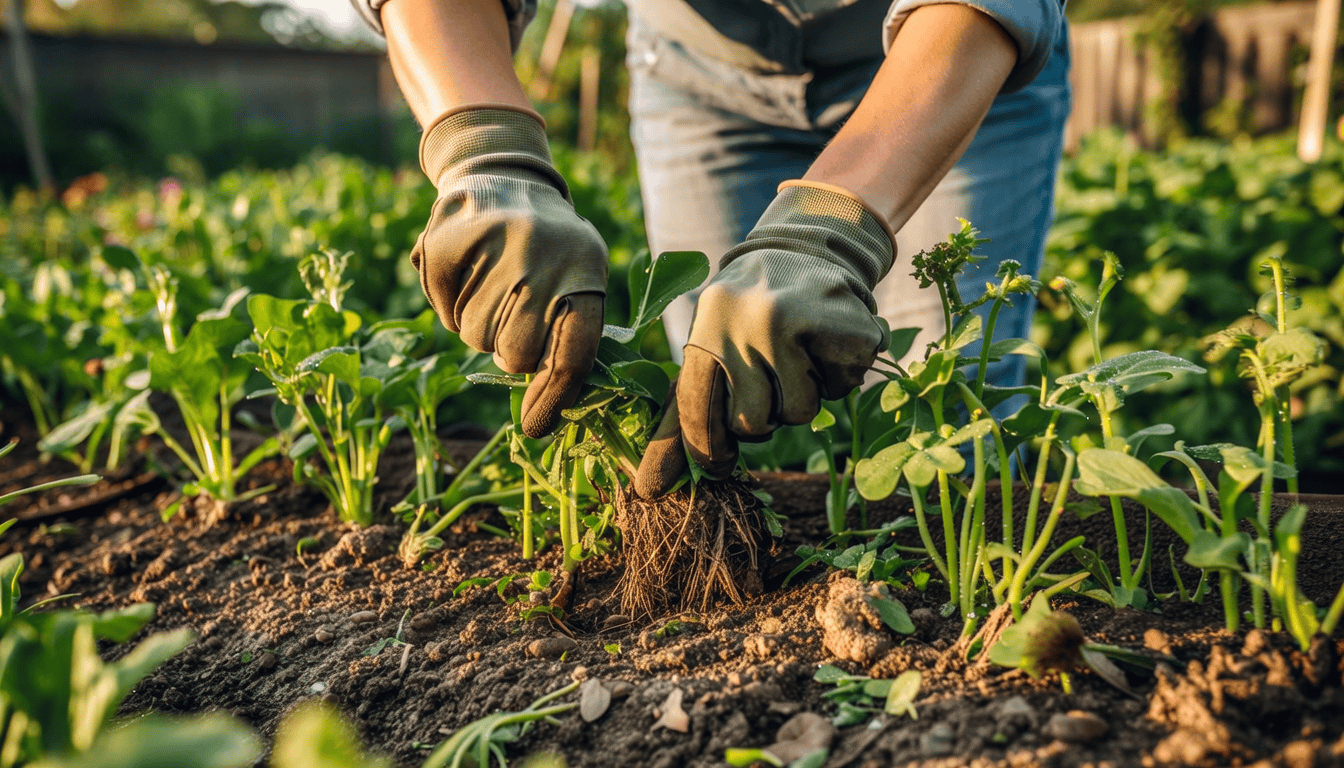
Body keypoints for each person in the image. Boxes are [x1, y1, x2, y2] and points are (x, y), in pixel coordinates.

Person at [351, 0, 1070, 497]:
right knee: (724, 393)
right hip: (697, 72)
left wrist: (827, 229)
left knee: (944, 424)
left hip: (955, 52)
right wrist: (484, 150)